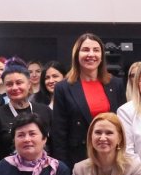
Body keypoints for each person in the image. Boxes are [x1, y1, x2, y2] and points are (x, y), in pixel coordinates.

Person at [52, 33, 125, 167]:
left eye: (96, 50)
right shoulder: (63, 88)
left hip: (111, 158)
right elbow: (59, 134)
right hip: (78, 159)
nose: (91, 54)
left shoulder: (116, 84)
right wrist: (63, 168)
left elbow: (122, 125)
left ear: (102, 56)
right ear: (76, 55)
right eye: (85, 50)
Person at [0, 61, 54, 172]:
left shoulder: (45, 111)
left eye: (19, 83)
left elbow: (56, 145)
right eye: (9, 84)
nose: (14, 88)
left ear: (29, 84)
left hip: (45, 173)